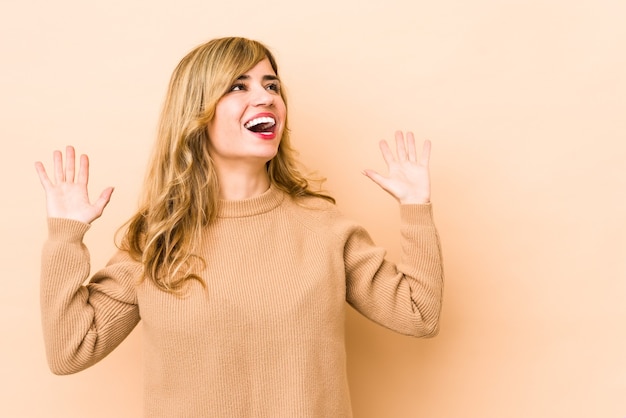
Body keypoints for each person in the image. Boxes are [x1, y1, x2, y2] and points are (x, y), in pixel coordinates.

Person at [35, 36, 444, 417]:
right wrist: (65, 237)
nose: (265, 97)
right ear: (197, 113)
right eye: (238, 86)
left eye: (271, 85)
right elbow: (71, 351)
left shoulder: (324, 227)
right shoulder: (157, 241)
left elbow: (418, 314)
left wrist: (415, 208)